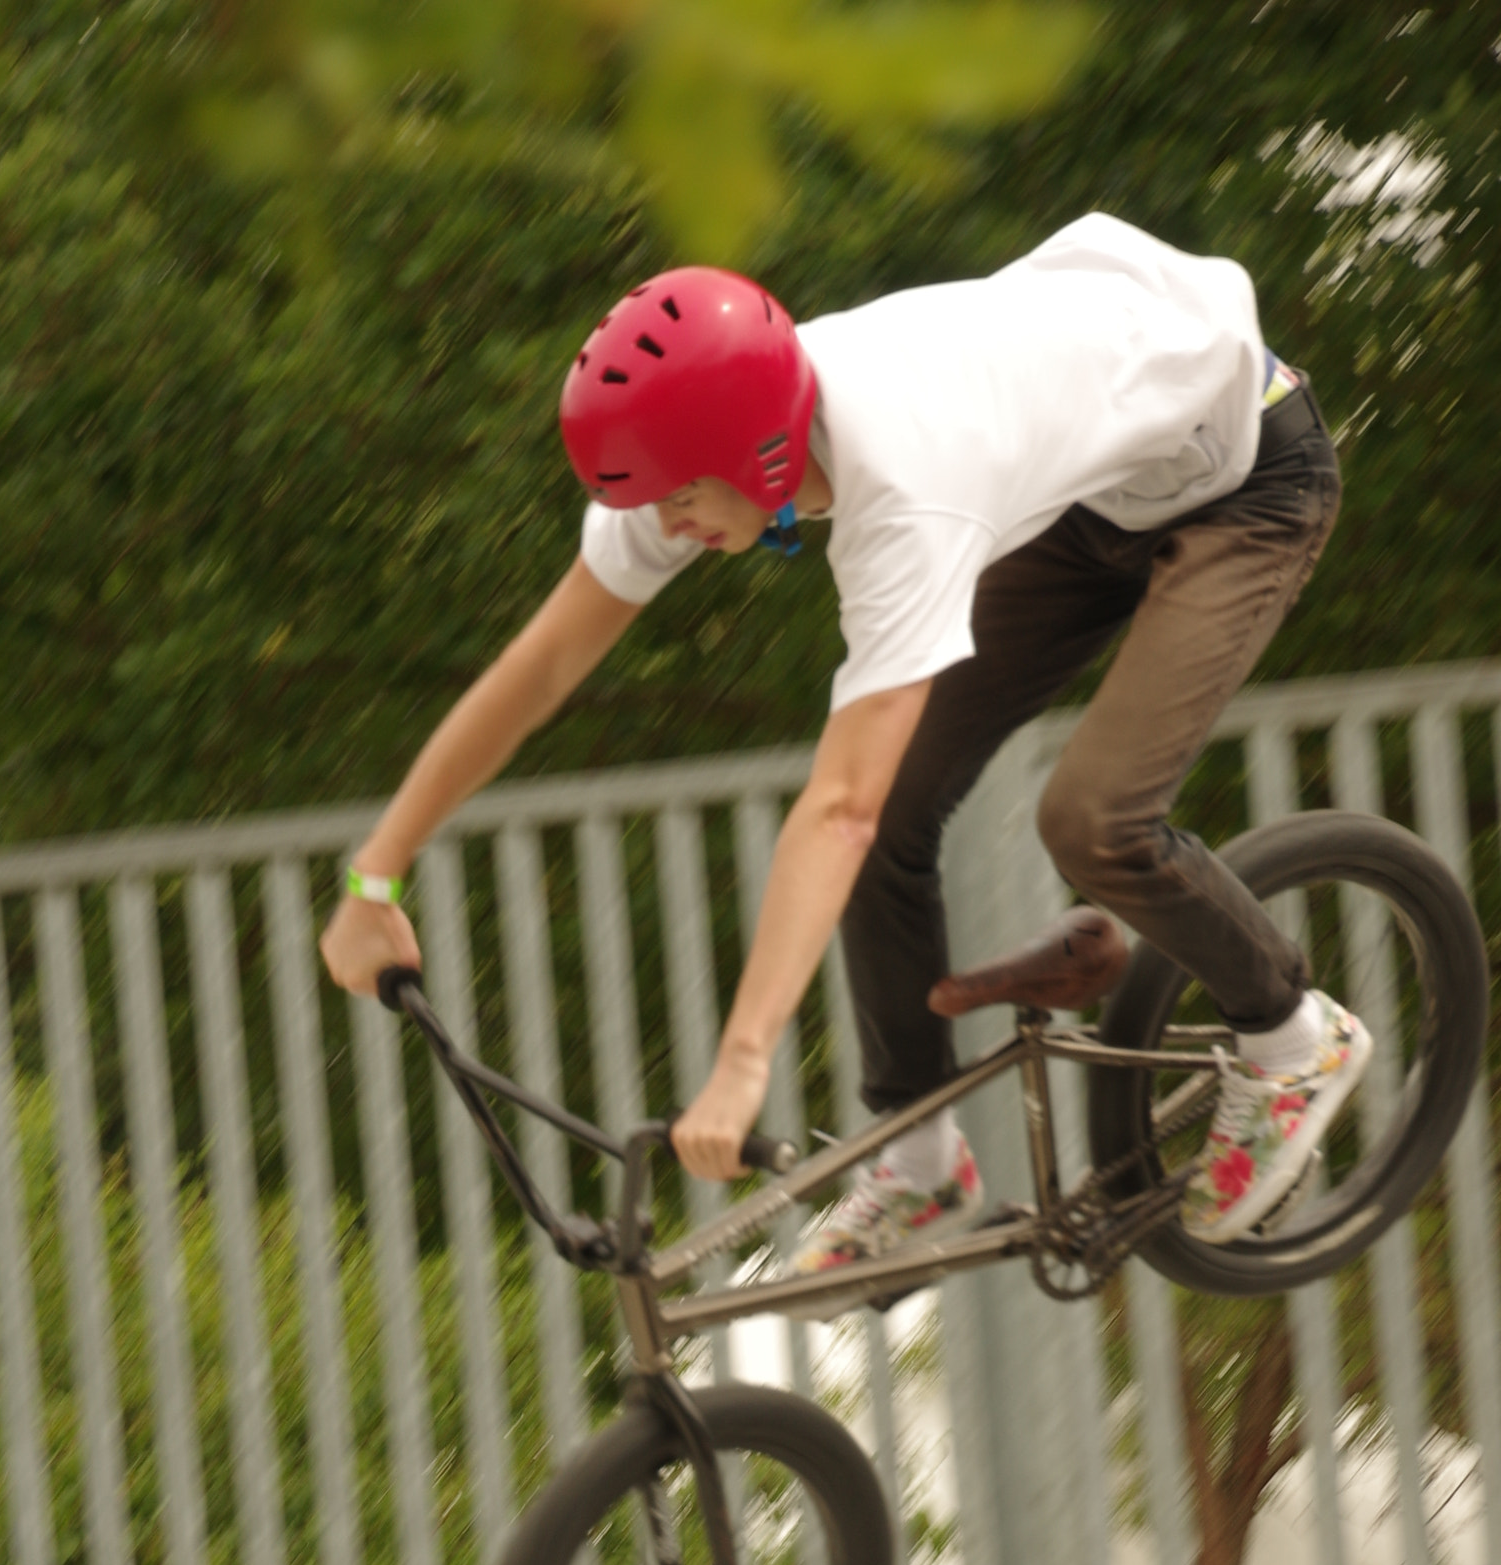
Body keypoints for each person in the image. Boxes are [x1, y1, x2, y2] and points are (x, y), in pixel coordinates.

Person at [318, 212, 1366, 1269]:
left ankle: (1291, 1037)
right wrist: (374, 878)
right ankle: (917, 1161)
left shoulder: (907, 488)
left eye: (680, 501)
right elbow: (538, 668)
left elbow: (838, 806)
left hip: (1245, 477)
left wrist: (739, 1063)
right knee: (896, 813)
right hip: (1088, 479)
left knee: (1088, 818)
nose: (668, 527)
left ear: (753, 450)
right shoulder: (691, 448)